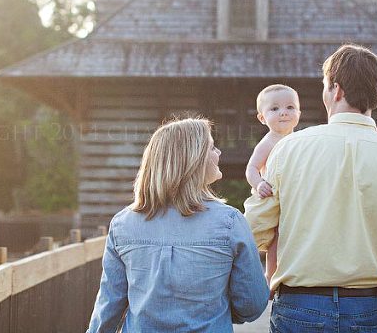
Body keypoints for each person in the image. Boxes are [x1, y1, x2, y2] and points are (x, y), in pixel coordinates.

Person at [244, 44, 377, 333]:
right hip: (369, 311)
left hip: (299, 308)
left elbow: (254, 229)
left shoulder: (288, 149)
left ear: (336, 90)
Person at [86, 118, 269, 333]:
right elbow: (252, 305)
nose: (219, 152)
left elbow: (109, 305)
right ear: (193, 159)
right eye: (212, 147)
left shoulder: (122, 224)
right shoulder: (230, 222)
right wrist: (218, 308)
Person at [244, 84, 301, 286]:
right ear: (262, 118)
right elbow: (251, 168)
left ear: (299, 113)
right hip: (273, 196)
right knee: (275, 238)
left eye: (290, 107)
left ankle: (294, 271)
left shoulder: (300, 140)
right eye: (275, 109)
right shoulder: (268, 142)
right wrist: (259, 183)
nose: (283, 112)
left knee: (295, 234)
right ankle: (271, 275)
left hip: (294, 195)